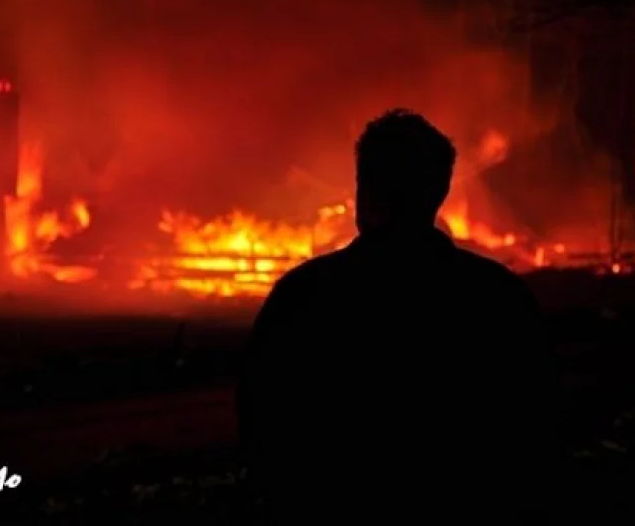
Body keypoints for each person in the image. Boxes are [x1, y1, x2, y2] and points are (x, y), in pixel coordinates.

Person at [237, 109, 554, 523]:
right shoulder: (499, 298)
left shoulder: (306, 296)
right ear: (440, 193)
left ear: (362, 193)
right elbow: (534, 428)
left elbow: (261, 418)